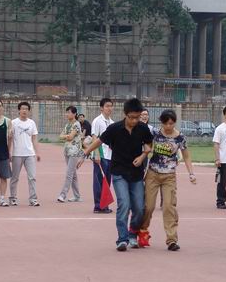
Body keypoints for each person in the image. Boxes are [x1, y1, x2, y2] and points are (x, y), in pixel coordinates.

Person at [80, 98, 153, 251]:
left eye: (137, 117)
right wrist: (85, 153)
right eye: (131, 117)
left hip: (136, 173)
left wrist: (142, 156)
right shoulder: (115, 128)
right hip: (119, 172)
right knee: (124, 204)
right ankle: (122, 238)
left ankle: (133, 232)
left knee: (139, 208)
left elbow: (148, 145)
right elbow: (99, 141)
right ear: (125, 114)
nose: (134, 121)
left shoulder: (143, 128)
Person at [138, 109, 196, 251]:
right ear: (161, 123)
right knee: (148, 206)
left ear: (175, 122)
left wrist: (191, 173)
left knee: (169, 206)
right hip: (153, 174)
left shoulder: (180, 137)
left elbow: (186, 156)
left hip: (169, 176)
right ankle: (143, 231)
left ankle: (171, 240)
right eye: (166, 124)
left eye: (171, 123)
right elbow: (146, 146)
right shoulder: (155, 133)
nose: (168, 126)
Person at [9, 101, 41, 206]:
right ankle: (13, 198)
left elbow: (34, 138)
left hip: (30, 154)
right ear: (19, 110)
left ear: (29, 111)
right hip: (17, 154)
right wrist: (9, 151)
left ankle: (33, 199)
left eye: (26, 109)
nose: (24, 111)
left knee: (32, 177)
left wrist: (37, 152)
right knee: (15, 177)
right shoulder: (13, 122)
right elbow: (10, 138)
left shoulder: (31, 123)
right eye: (22, 109)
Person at [91, 98, 114, 214]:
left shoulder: (112, 123)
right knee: (99, 180)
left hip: (110, 156)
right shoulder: (97, 121)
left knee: (107, 180)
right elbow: (94, 137)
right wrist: (96, 153)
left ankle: (104, 204)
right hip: (100, 154)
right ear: (101, 108)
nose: (109, 108)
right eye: (107, 106)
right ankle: (98, 205)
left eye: (111, 106)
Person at [57, 106, 82, 203]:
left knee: (69, 174)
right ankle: (77, 196)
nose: (67, 114)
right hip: (67, 151)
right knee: (73, 174)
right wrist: (66, 136)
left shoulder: (77, 124)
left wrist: (65, 136)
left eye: (69, 112)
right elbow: (60, 136)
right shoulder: (67, 124)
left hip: (74, 152)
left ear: (74, 114)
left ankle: (63, 195)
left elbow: (71, 137)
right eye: (66, 112)